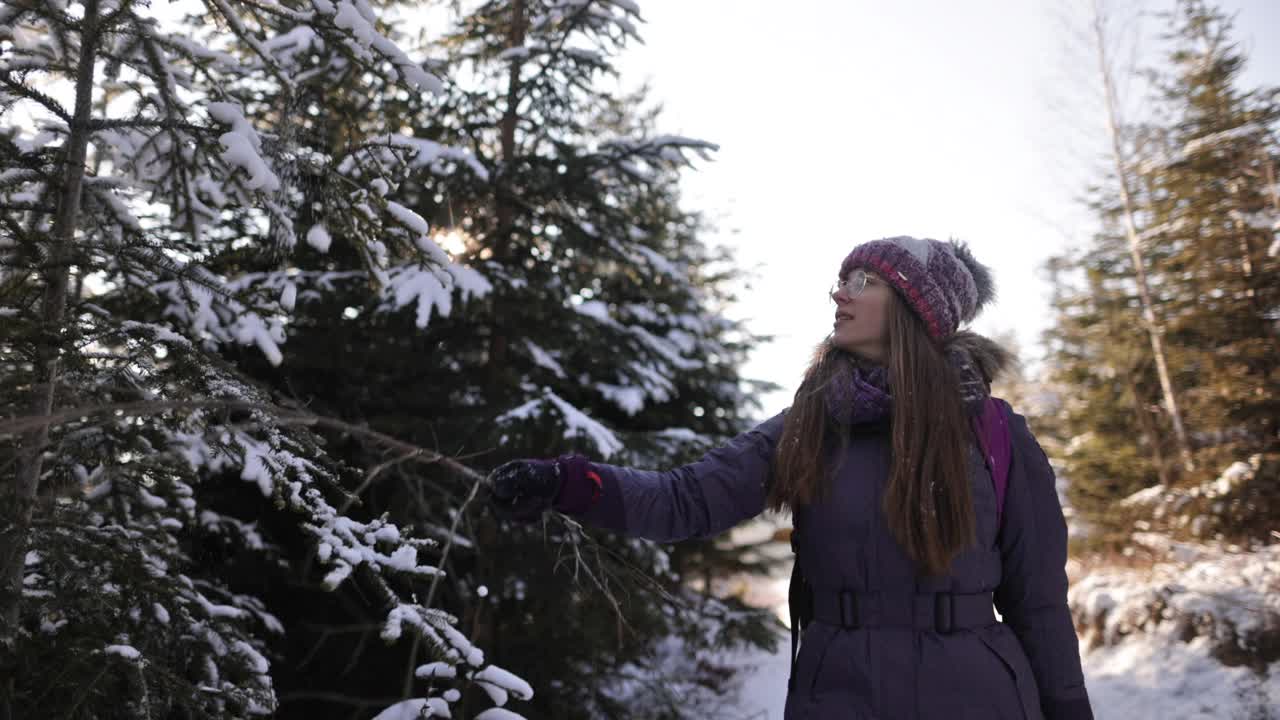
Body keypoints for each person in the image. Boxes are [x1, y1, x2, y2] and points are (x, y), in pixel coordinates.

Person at [485, 236, 1095, 720]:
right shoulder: (811, 422)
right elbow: (686, 499)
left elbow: (1038, 601)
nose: (839, 294)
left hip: (973, 697)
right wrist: (567, 483)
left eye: (863, 281)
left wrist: (1069, 710)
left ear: (914, 306)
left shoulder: (993, 433)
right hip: (837, 693)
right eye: (841, 280)